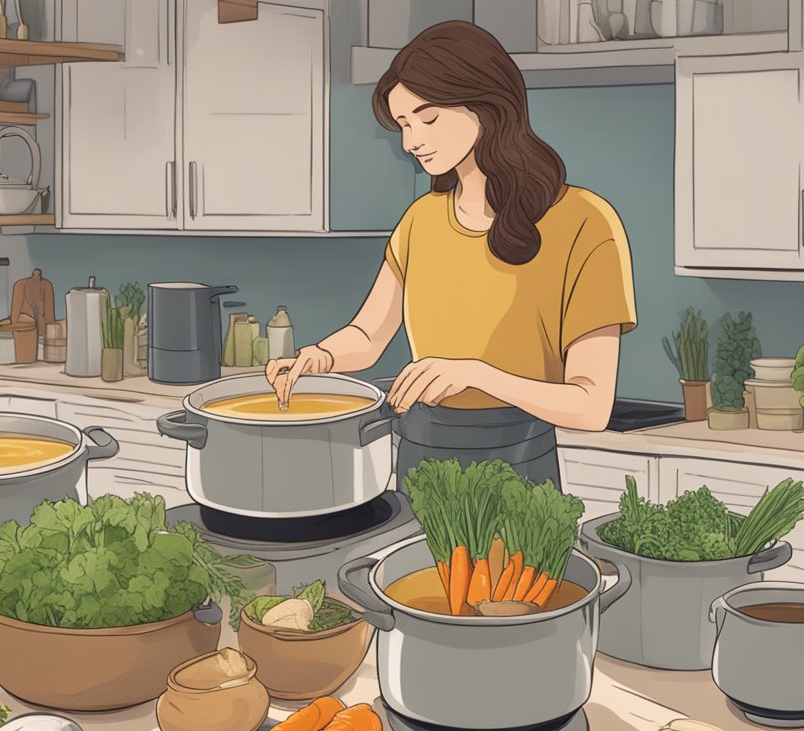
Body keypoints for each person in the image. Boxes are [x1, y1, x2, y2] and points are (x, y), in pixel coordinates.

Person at [265, 21, 636, 486]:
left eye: (428, 118)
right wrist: (317, 357)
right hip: (422, 459)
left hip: (519, 468)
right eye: (402, 124)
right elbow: (368, 334)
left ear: (488, 105)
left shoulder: (583, 222)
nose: (411, 140)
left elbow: (591, 405)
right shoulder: (421, 220)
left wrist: (478, 375)